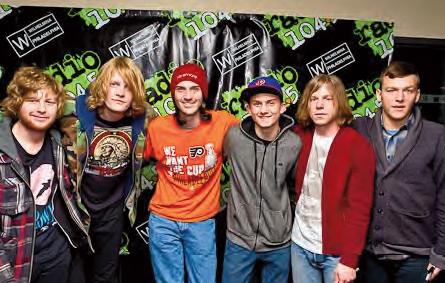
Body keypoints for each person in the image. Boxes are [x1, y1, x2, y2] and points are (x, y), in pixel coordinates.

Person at [144, 63, 238, 283]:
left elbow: (259, 129)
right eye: (181, 89)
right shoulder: (158, 128)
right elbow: (133, 156)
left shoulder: (223, 122)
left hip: (202, 222)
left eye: (194, 88)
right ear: (173, 95)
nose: (188, 96)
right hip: (163, 221)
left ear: (203, 93)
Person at [354, 61, 445, 283]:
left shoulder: (437, 135)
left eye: (408, 90)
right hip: (370, 254)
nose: (399, 98)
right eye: (391, 90)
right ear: (379, 94)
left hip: (417, 256)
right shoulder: (359, 129)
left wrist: (441, 253)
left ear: (418, 95)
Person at [0, 66, 91, 283]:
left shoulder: (59, 143)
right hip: (16, 259)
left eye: (49, 102)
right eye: (32, 100)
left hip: (57, 250)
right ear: (16, 102)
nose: (42, 108)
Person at [75, 56, 157, 283]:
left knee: (106, 274)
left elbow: (174, 132)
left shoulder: (144, 119)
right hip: (75, 208)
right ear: (102, 86)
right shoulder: (75, 113)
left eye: (128, 87)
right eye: (114, 84)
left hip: (112, 210)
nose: (121, 93)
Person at [291, 74, 375, 283]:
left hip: (336, 254)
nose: (319, 105)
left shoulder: (357, 146)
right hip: (300, 245)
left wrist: (349, 260)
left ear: (339, 103)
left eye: (327, 99)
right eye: (314, 99)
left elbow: (360, 209)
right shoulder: (298, 136)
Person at [221, 76, 301, 283]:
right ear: (248, 108)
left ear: (282, 107)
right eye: (257, 104)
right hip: (239, 239)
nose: (264, 110)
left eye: (270, 103)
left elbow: (296, 187)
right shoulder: (233, 137)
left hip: (279, 243)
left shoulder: (294, 143)